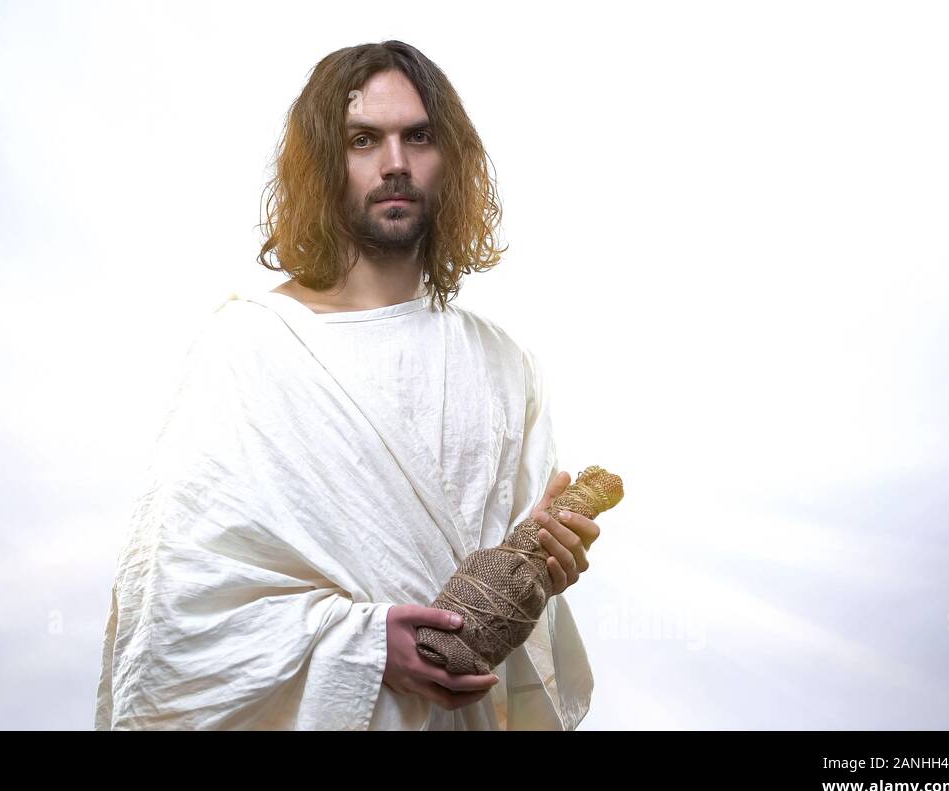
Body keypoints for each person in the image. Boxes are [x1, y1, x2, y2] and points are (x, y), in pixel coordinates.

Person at [95, 40, 599, 731]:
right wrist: (363, 646)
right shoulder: (248, 350)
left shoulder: (503, 364)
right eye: (364, 140)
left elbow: (504, 616)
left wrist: (540, 573)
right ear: (325, 165)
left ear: (450, 158)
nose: (395, 164)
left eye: (418, 137)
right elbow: (178, 609)